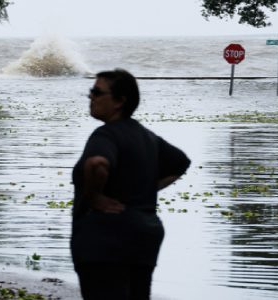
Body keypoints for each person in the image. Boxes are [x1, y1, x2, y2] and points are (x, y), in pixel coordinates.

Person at [71, 69, 191, 299]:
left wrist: (94, 197)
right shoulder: (146, 136)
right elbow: (180, 162)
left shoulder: (105, 135)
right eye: (91, 91)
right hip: (144, 236)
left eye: (97, 92)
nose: (91, 97)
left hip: (105, 240)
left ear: (119, 101)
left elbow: (97, 163)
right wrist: (146, 188)